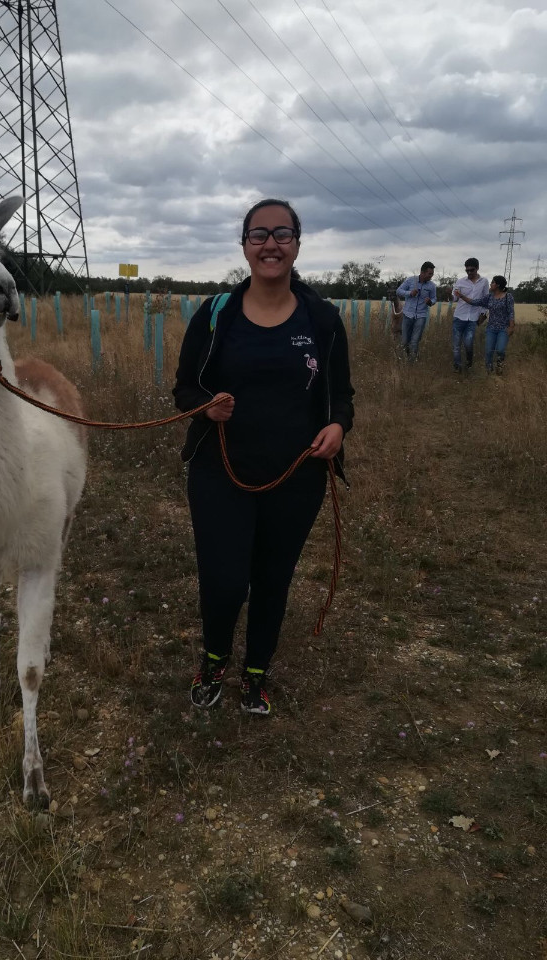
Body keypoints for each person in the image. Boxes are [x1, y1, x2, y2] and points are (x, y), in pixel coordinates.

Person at [173, 199, 355, 715]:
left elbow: (342, 395)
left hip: (297, 476)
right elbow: (184, 388)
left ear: (297, 243)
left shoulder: (323, 319)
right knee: (225, 580)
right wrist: (205, 407)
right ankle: (213, 660)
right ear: (244, 245)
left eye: (282, 234)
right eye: (259, 234)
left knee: (274, 578)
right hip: (220, 472)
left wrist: (339, 426)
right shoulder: (216, 315)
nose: (270, 244)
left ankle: (257, 671)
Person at [453, 275, 515, 373]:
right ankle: (489, 371)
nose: (490, 284)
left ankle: (500, 366)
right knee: (488, 351)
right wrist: (461, 296)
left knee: (500, 349)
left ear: (498, 285)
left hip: (503, 328)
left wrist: (511, 326)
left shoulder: (508, 297)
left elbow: (511, 312)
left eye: (492, 282)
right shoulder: (489, 297)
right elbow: (474, 302)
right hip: (491, 328)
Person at [451, 258, 489, 372]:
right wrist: (449, 294)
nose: (469, 272)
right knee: (456, 345)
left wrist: (483, 314)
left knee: (468, 343)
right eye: (467, 270)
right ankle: (457, 367)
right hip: (459, 316)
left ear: (477, 268)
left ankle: (469, 364)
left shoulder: (484, 282)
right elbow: (454, 298)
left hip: (473, 318)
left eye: (471, 270)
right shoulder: (460, 281)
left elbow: (485, 300)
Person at [395, 262, 437, 359]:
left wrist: (430, 302)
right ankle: (404, 359)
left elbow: (434, 298)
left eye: (432, 274)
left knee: (415, 341)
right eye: (429, 274)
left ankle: (412, 362)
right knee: (405, 341)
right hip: (408, 315)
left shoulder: (432, 286)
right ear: (422, 272)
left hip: (421, 316)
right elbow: (398, 291)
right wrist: (410, 293)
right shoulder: (410, 280)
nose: (431, 276)